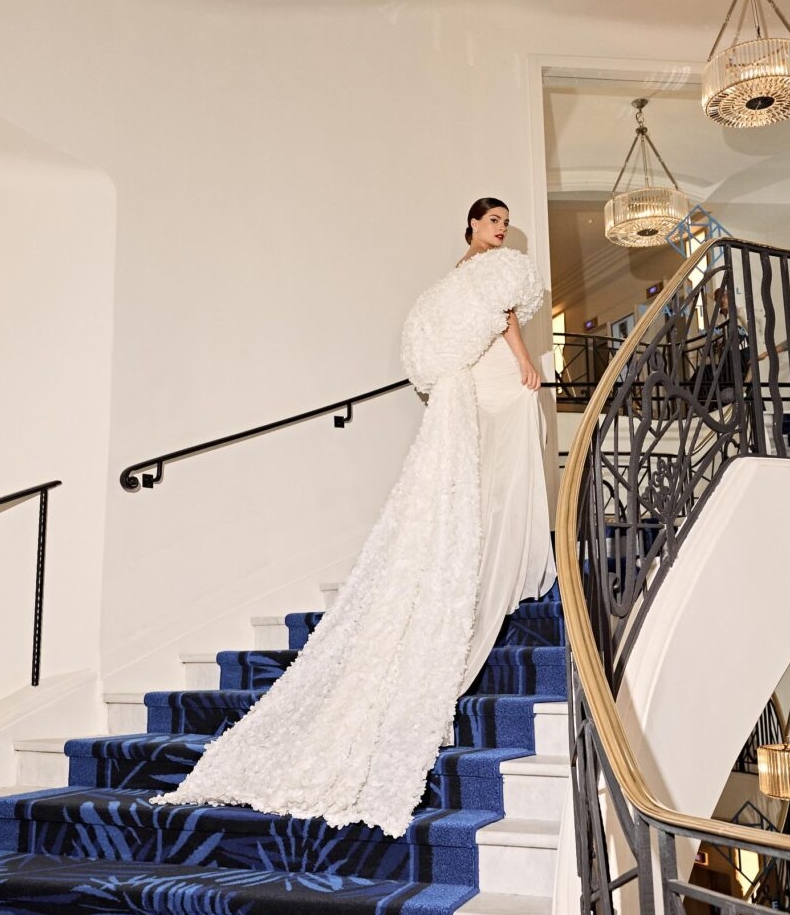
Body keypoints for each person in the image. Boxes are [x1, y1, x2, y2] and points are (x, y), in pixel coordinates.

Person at [152, 197, 556, 836]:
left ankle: (491, 539)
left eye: (505, 222)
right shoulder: (487, 271)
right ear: (472, 226)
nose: (502, 230)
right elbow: (506, 320)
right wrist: (529, 362)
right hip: (493, 371)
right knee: (506, 447)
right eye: (493, 221)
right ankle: (495, 543)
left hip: (475, 374)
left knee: (492, 459)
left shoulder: (457, 275)